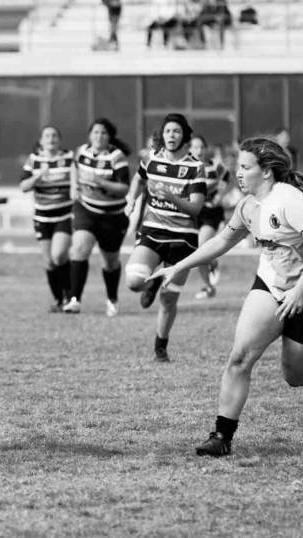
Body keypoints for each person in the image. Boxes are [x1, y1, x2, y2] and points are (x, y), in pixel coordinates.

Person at [148, 137, 303, 457]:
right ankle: (222, 436)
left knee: (293, 375)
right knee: (239, 357)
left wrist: (299, 290)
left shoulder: (290, 200)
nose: (238, 173)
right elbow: (222, 241)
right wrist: (178, 266)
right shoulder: (248, 206)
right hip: (271, 286)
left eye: (245, 167)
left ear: (266, 172)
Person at [124, 113, 206, 362]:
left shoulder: (195, 167)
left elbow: (195, 209)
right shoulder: (151, 160)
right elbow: (138, 180)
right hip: (153, 230)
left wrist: (171, 197)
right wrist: (131, 198)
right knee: (133, 281)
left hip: (183, 239)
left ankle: (160, 347)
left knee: (169, 299)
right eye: (168, 131)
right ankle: (152, 281)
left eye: (177, 131)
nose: (171, 136)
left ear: (184, 136)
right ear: (163, 135)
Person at [65, 118, 131, 317]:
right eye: (95, 132)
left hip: (112, 216)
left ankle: (112, 299)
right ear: (89, 135)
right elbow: (74, 167)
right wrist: (73, 187)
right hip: (86, 209)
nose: (98, 136)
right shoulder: (82, 150)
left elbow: (123, 189)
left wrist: (101, 182)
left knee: (110, 261)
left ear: (109, 137)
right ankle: (75, 299)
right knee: (79, 249)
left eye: (103, 133)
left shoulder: (117, 157)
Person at [19, 126, 75, 313]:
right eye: (47, 136)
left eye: (54, 135)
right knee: (49, 261)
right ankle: (59, 299)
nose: (51, 138)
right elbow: (24, 186)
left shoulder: (68, 158)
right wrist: (39, 175)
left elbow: (76, 181)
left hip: (64, 214)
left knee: (59, 255)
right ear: (41, 141)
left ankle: (69, 295)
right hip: (42, 216)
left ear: (59, 140)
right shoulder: (33, 160)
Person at [190, 135, 230, 299]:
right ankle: (208, 287)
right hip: (194, 212)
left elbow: (227, 178)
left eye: (202, 147)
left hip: (211, 213)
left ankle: (212, 262)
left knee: (201, 247)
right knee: (196, 252)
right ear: (190, 149)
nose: (199, 151)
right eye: (195, 147)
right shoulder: (186, 168)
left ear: (206, 149)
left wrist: (220, 194)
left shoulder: (215, 166)